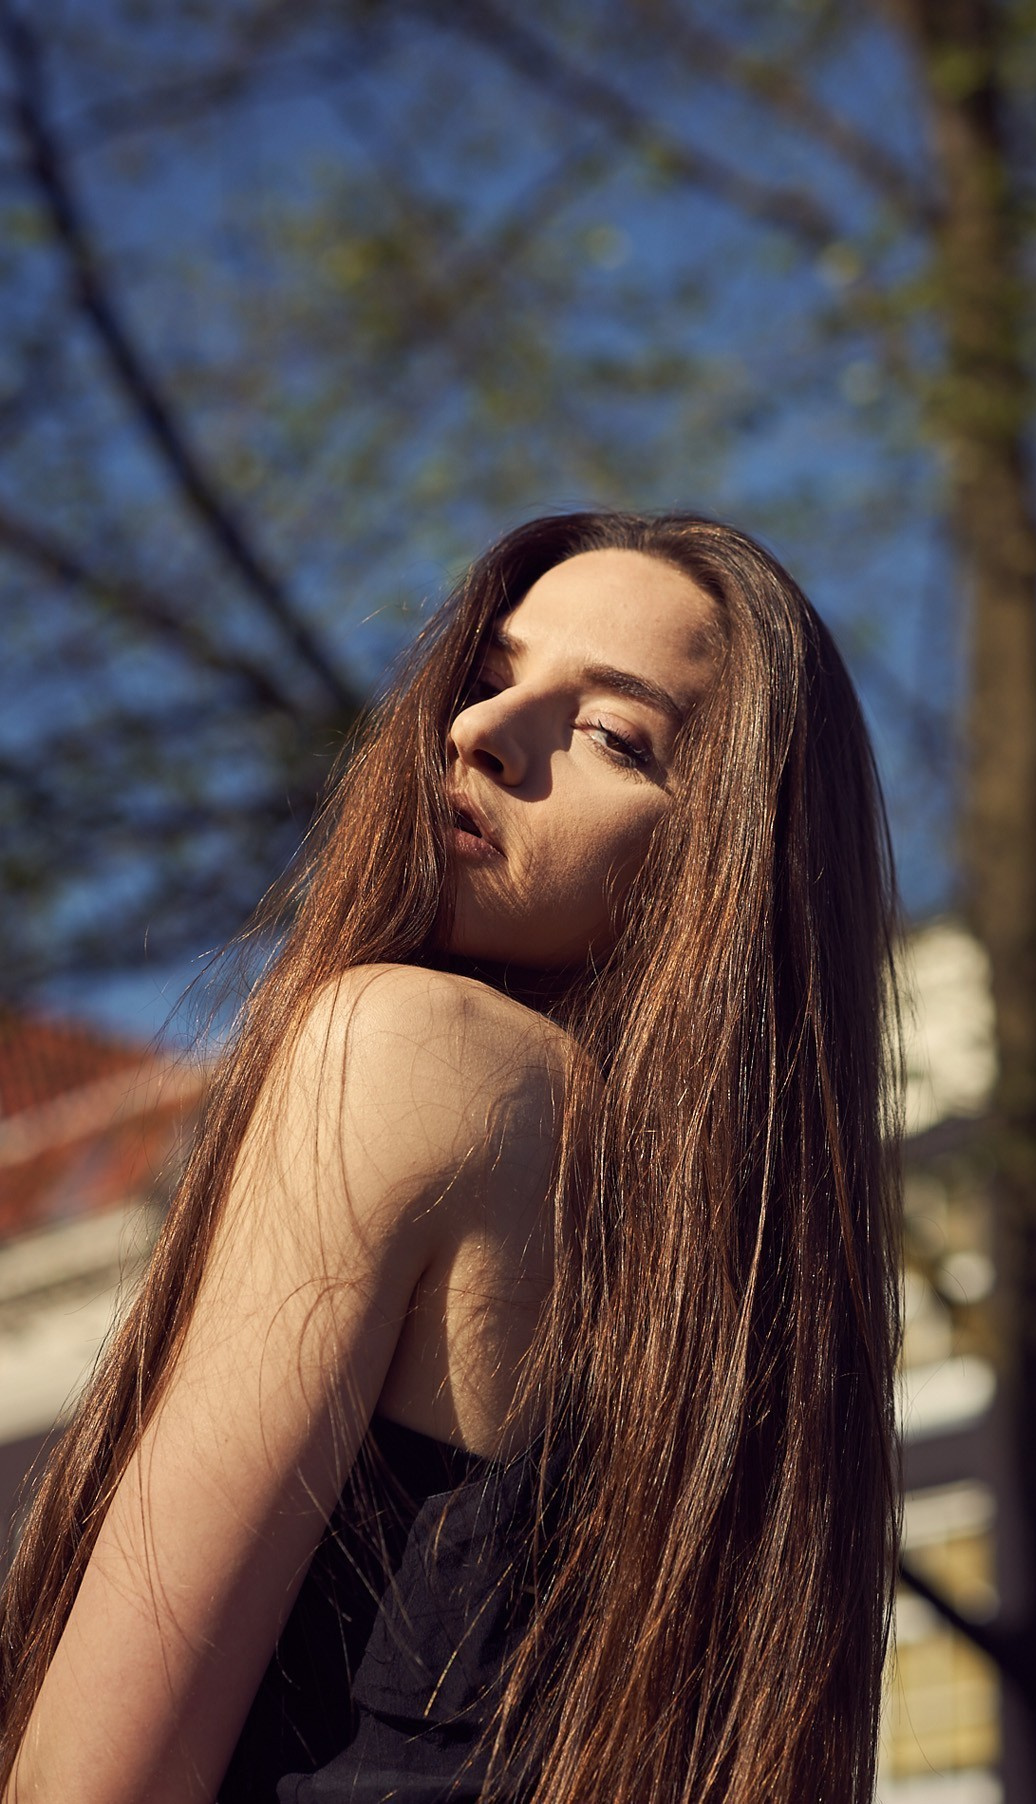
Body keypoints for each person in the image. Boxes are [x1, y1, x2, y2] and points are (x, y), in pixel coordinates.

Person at [0, 511, 903, 1804]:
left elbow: (95, 1780)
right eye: (487, 676)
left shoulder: (417, 1051)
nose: (482, 731)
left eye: (614, 735)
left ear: (731, 866)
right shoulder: (746, 1344)